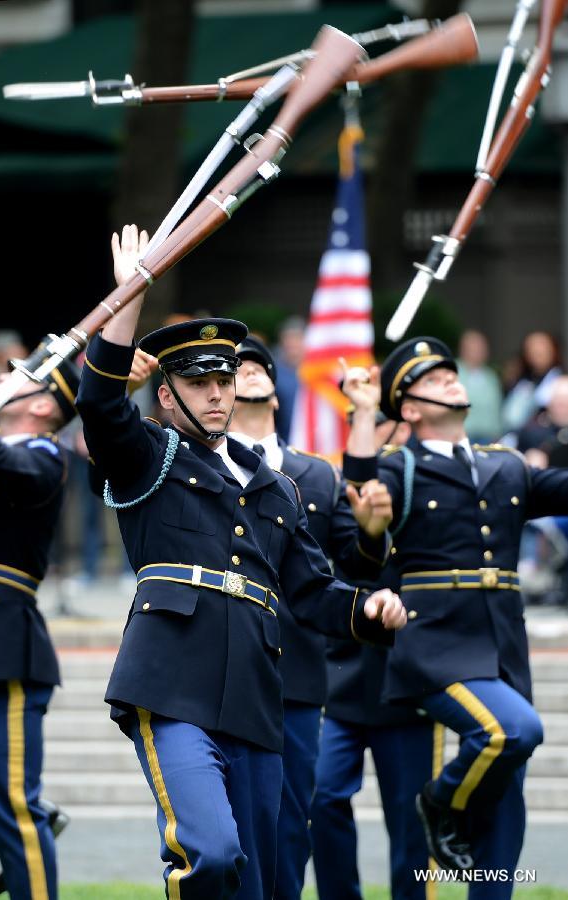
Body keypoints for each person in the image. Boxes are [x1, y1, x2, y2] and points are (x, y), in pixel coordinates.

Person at [75, 224, 406, 900]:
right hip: (169, 682)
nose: (218, 393)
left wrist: (368, 610)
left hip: (257, 692)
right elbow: (100, 406)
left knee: (260, 877)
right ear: (166, 396)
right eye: (199, 384)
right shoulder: (151, 456)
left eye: (224, 379)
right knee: (212, 851)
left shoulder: (277, 486)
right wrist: (130, 292)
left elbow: (313, 594)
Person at [340, 336, 559, 893]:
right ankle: (438, 802)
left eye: (450, 374)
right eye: (434, 380)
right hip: (435, 646)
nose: (451, 381)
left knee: (506, 814)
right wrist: (365, 414)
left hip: (503, 648)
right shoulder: (401, 468)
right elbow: (362, 494)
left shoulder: (506, 464)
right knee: (513, 731)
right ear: (409, 408)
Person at [228, 335, 393, 900]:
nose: (247, 371)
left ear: (277, 393)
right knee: (221, 828)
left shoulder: (316, 474)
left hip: (295, 673)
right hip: (219, 666)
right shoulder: (199, 465)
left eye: (257, 365)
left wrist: (372, 534)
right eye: (235, 368)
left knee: (290, 824)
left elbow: (352, 561)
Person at [0, 332, 79, 900]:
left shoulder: (43, 457)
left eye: (20, 379)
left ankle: (22, 818)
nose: (4, 381)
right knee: (8, 801)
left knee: (13, 806)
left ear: (43, 405)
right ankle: (20, 811)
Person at [310, 410, 438, 900]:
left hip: (408, 678)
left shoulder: (432, 486)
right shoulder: (346, 487)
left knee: (410, 818)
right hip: (344, 673)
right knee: (321, 796)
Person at [501, 330, 562, 433]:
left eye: (542, 346)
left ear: (553, 349)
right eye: (532, 347)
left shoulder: (561, 381)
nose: (537, 351)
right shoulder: (521, 381)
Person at [456, 330, 503, 445]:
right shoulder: (452, 372)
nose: (478, 351)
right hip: (462, 436)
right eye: (473, 347)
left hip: (489, 437)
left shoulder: (491, 376)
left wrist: (498, 434)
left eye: (481, 347)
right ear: (463, 349)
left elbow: (497, 407)